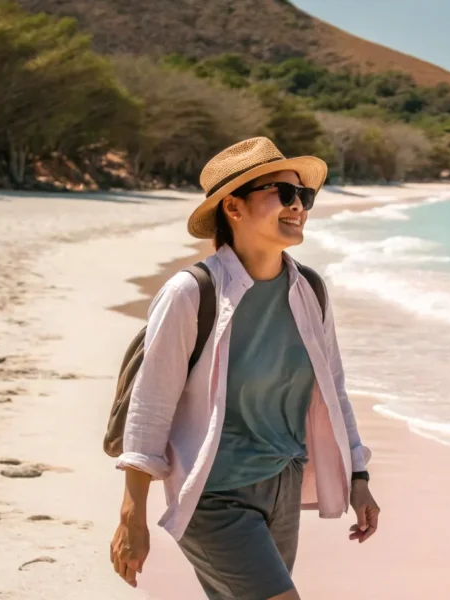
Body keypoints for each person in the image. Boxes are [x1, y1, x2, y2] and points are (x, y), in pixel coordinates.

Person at [109, 137, 379, 600]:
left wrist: (359, 478)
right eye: (285, 194)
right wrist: (131, 517)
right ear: (233, 207)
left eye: (305, 197)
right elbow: (150, 405)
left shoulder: (309, 289)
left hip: (283, 487)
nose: (299, 207)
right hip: (213, 495)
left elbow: (333, 390)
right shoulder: (191, 292)